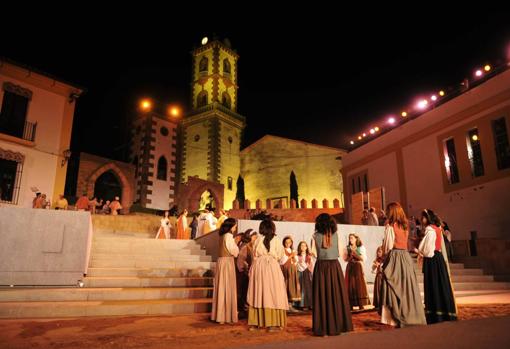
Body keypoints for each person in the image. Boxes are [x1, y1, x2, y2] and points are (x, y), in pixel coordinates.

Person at [379, 202, 426, 327]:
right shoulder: (405, 226)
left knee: (392, 285)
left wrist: (382, 258)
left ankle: (394, 318)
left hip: (395, 257)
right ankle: (413, 315)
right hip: (405, 257)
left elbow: (388, 246)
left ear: (391, 212)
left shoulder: (390, 226)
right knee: (407, 287)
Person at [311, 213, 353, 336]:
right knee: (336, 294)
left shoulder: (315, 236)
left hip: (321, 268)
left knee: (322, 296)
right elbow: (340, 253)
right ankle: (339, 325)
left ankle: (323, 328)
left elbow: (313, 253)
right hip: (334, 267)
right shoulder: (336, 235)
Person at [415, 209, 457, 324]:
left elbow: (428, 251)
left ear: (427, 218)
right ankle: (445, 312)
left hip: (432, 261)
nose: (422, 220)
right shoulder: (437, 228)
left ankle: (435, 314)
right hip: (438, 259)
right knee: (440, 284)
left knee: (433, 284)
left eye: (423, 217)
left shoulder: (430, 229)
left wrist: (420, 251)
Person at [247, 218, 288, 332]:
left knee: (258, 292)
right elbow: (280, 255)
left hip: (259, 266)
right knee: (273, 293)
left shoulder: (257, 240)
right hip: (271, 267)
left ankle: (256, 323)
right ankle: (273, 324)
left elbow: (254, 254)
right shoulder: (276, 239)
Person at [211, 218, 240, 324]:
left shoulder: (222, 236)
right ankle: (225, 316)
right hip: (227, 262)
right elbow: (234, 251)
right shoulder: (229, 236)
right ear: (231, 226)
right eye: (235, 226)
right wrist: (236, 243)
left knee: (222, 286)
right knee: (226, 286)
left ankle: (220, 315)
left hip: (221, 262)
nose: (236, 228)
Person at [344, 233, 371, 310]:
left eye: (352, 238)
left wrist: (356, 255)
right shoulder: (347, 248)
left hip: (358, 267)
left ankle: (361, 304)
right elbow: (345, 259)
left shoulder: (361, 247)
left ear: (356, 239)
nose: (350, 239)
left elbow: (363, 259)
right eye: (349, 238)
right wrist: (350, 257)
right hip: (350, 267)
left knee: (359, 284)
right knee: (350, 285)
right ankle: (351, 304)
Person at [236, 229, 257, 318]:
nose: (256, 239)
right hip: (243, 274)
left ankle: (243, 310)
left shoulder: (249, 246)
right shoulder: (245, 246)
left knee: (244, 291)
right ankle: (241, 311)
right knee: (242, 291)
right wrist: (245, 269)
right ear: (250, 237)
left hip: (246, 273)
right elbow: (240, 261)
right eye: (255, 237)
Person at [280, 236, 301, 310]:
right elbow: (282, 261)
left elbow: (296, 261)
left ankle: (291, 304)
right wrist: (291, 256)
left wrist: (294, 257)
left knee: (292, 286)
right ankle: (286, 304)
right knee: (287, 285)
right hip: (286, 270)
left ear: (291, 243)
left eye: (289, 242)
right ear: (284, 243)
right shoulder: (282, 250)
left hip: (293, 270)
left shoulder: (293, 250)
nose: (288, 243)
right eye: (286, 242)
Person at [296, 241, 315, 310]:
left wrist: (309, 270)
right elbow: (296, 264)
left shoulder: (309, 256)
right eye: (301, 246)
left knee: (308, 289)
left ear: (307, 247)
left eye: (304, 246)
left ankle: (310, 304)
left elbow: (311, 265)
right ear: (299, 247)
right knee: (302, 289)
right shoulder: (297, 256)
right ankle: (303, 304)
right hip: (300, 272)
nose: (303, 247)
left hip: (307, 273)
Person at [371, 246, 384, 310]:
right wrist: (374, 266)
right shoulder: (377, 260)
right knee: (377, 290)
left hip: (382, 276)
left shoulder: (385, 260)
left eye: (380, 252)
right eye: (377, 252)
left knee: (381, 290)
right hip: (378, 276)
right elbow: (372, 270)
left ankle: (381, 304)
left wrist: (380, 265)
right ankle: (377, 304)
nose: (378, 253)